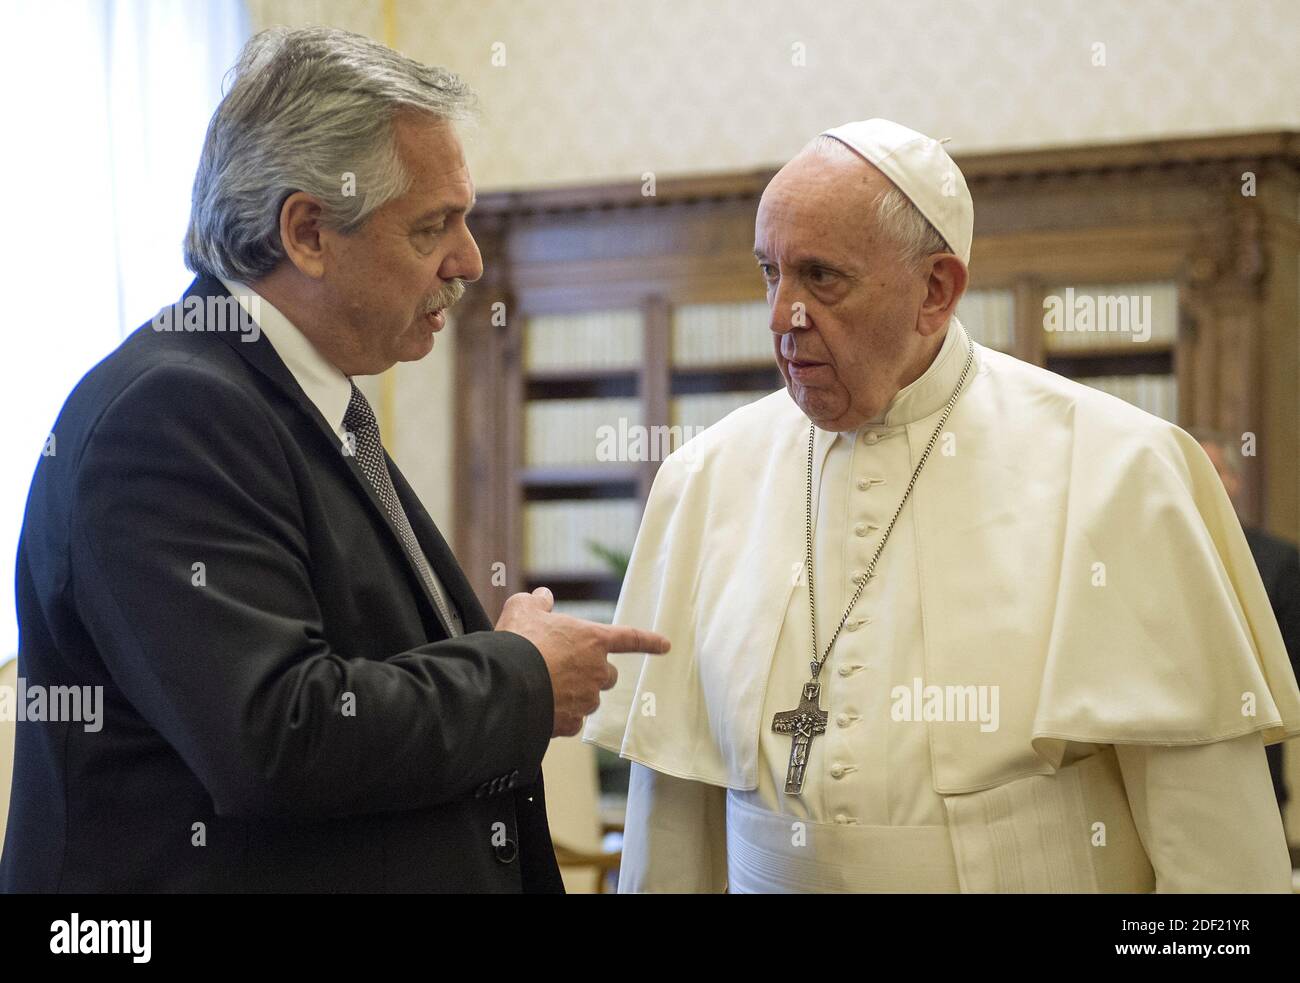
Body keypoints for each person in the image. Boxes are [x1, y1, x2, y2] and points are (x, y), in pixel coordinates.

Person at [1, 26, 666, 893]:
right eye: (435, 226)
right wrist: (522, 674)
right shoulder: (169, 412)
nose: (468, 260)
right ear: (309, 230)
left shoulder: (291, 393)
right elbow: (280, 734)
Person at [586, 118, 1300, 893]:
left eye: (821, 277)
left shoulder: (1118, 466)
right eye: (770, 272)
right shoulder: (706, 477)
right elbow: (672, 818)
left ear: (936, 289)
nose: (780, 317)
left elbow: (1218, 851)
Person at [1194, 430, 1300, 814]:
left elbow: (1293, 666)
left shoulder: (1279, 561)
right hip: (1173, 765)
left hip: (1257, 763)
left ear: (1235, 481)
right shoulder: (1145, 561)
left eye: (1214, 471)